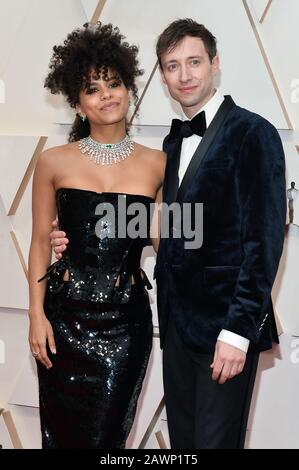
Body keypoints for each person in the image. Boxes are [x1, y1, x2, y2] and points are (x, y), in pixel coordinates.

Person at [50, 19, 286, 449]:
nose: (185, 75)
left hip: (225, 331)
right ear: (162, 76)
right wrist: (76, 235)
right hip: (176, 329)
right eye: (173, 66)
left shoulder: (254, 133)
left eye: (194, 62)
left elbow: (263, 244)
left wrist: (238, 333)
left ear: (215, 64)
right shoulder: (172, 146)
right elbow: (173, 228)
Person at [28, 22, 165, 449]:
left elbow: (165, 238)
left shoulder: (159, 164)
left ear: (128, 90)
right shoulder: (53, 162)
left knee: (107, 439)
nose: (107, 94)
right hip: (63, 319)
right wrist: (36, 314)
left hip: (125, 324)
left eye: (115, 83)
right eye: (93, 88)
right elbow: (38, 242)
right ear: (78, 103)